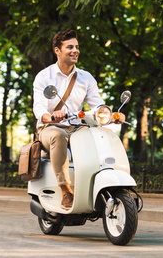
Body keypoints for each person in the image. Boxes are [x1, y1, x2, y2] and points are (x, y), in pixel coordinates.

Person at [33, 29, 104, 210]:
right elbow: (39, 107)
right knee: (58, 135)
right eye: (70, 47)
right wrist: (50, 116)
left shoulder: (85, 77)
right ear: (57, 50)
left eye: (77, 47)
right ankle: (65, 191)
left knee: (98, 135)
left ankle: (98, 184)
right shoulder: (44, 76)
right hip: (49, 129)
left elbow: (97, 105)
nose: (75, 50)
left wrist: (108, 115)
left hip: (75, 127)